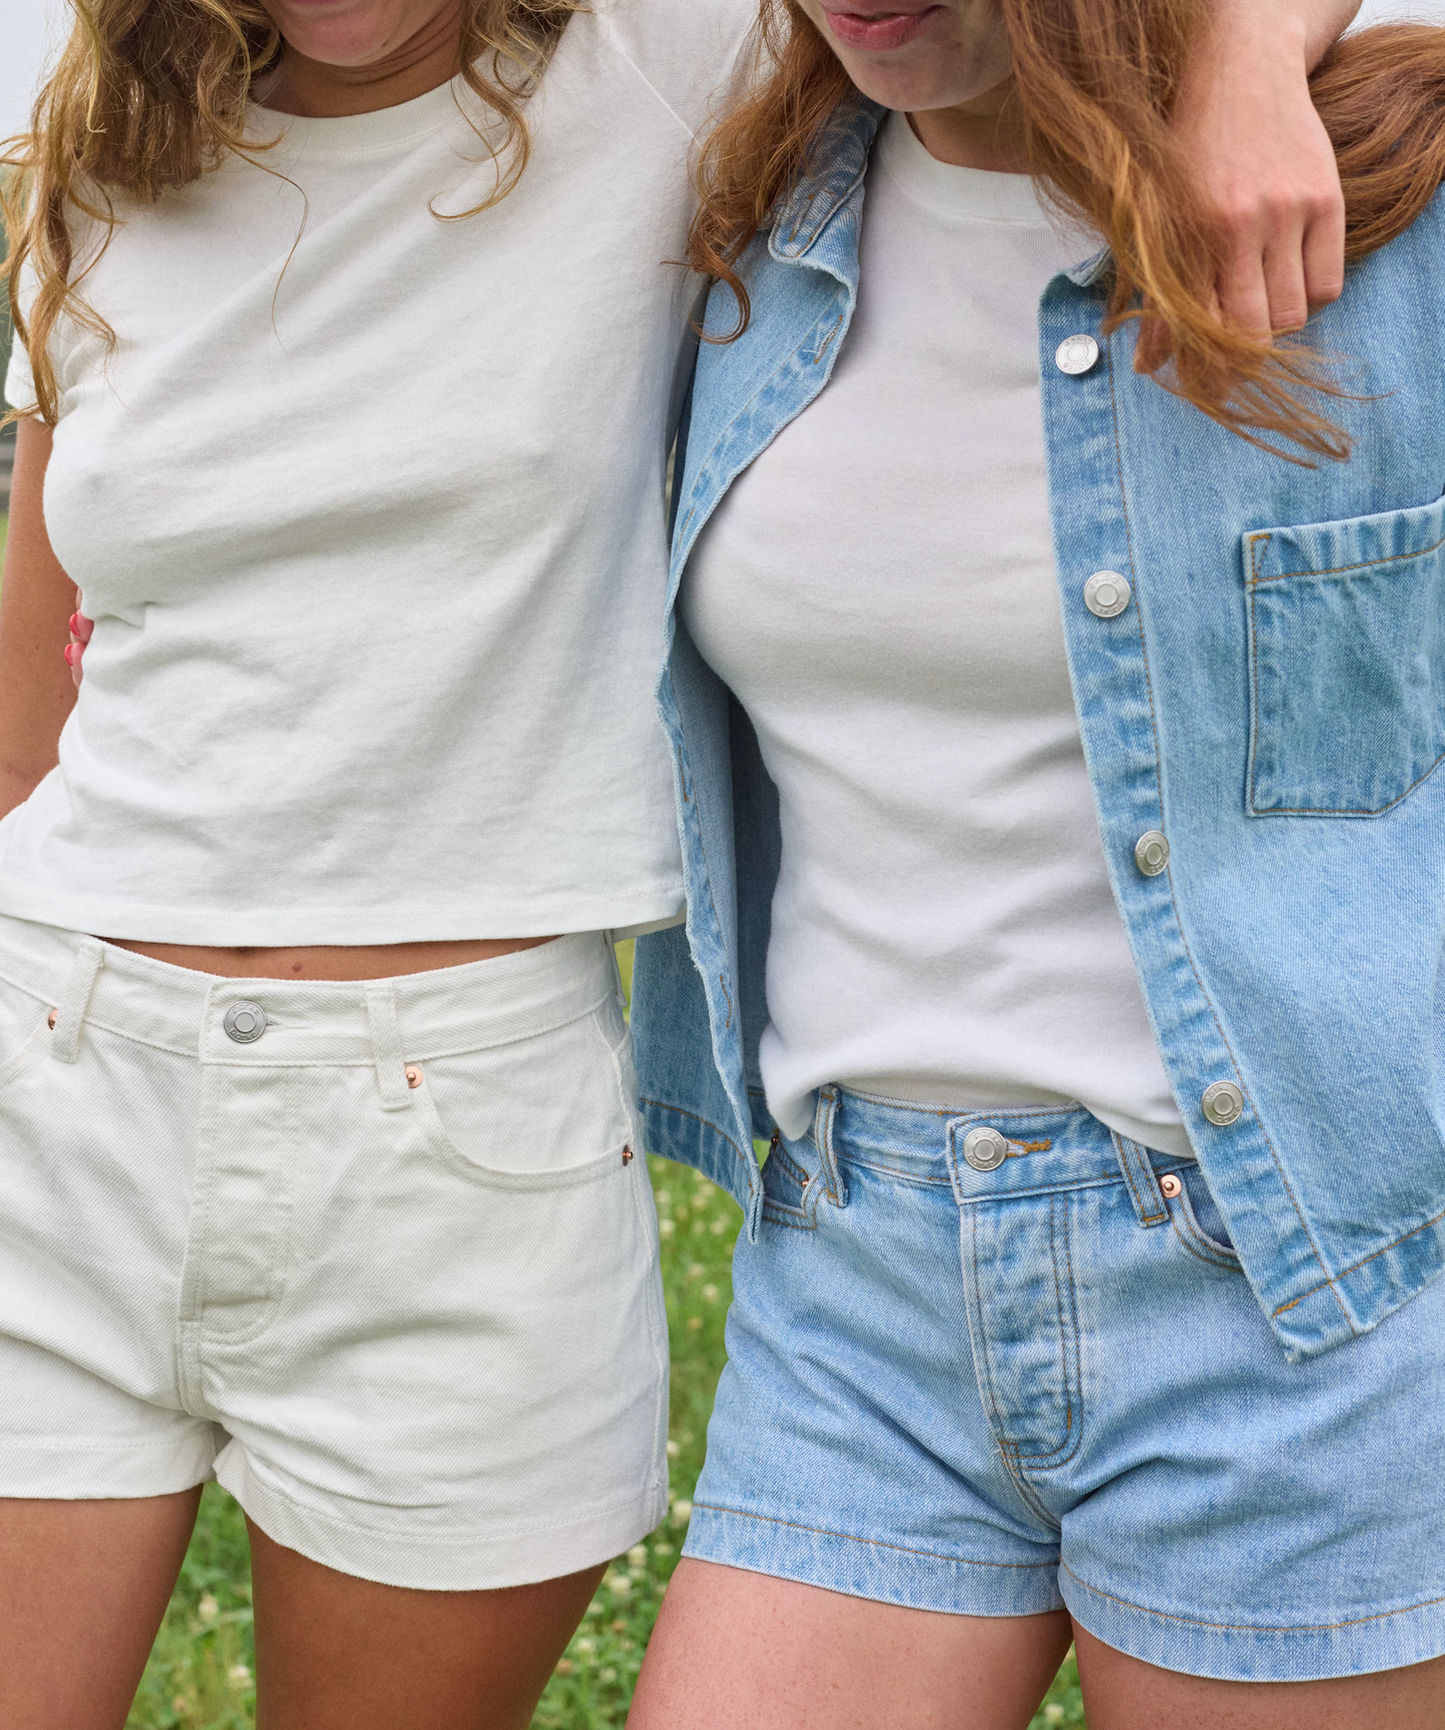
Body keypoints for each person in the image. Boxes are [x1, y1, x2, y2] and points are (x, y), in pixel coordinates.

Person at [0, 0, 1365, 1726]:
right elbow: (28, 707)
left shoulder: (663, 61)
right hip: (59, 1069)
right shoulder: (114, 151)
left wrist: (1245, 60)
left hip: (457, 1113)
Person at [627, 1, 1445, 1727]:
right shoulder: (747, 225)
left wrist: (1235, 52)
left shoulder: (1385, 207)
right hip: (859, 1285)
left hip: (1287, 1292)